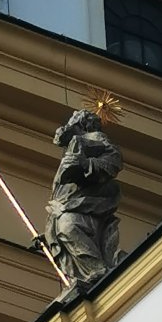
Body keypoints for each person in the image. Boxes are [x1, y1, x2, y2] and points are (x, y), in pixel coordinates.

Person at [44, 109, 123, 290]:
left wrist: (86, 164)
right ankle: (90, 271)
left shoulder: (95, 137)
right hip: (65, 204)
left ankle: (97, 269)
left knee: (68, 226)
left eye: (74, 122)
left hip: (84, 203)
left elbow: (113, 160)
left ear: (83, 124)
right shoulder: (74, 145)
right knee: (64, 229)